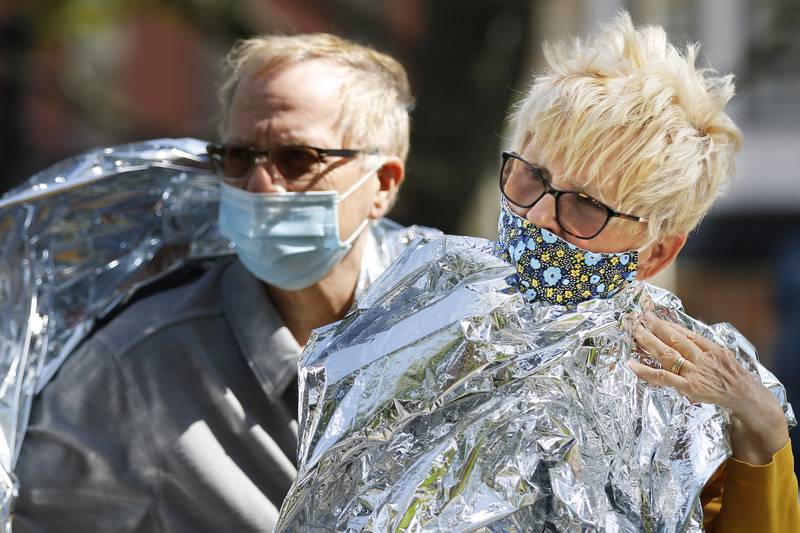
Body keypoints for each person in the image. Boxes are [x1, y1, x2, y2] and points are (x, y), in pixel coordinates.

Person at [13, 33, 432, 532]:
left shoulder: (452, 322)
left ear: (381, 185)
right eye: (238, 157)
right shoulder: (139, 367)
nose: (258, 186)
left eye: (296, 159)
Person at [494, 12, 798, 532]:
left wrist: (763, 430)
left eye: (586, 206)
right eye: (531, 177)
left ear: (655, 254)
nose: (540, 215)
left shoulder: (692, 395)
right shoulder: (414, 306)